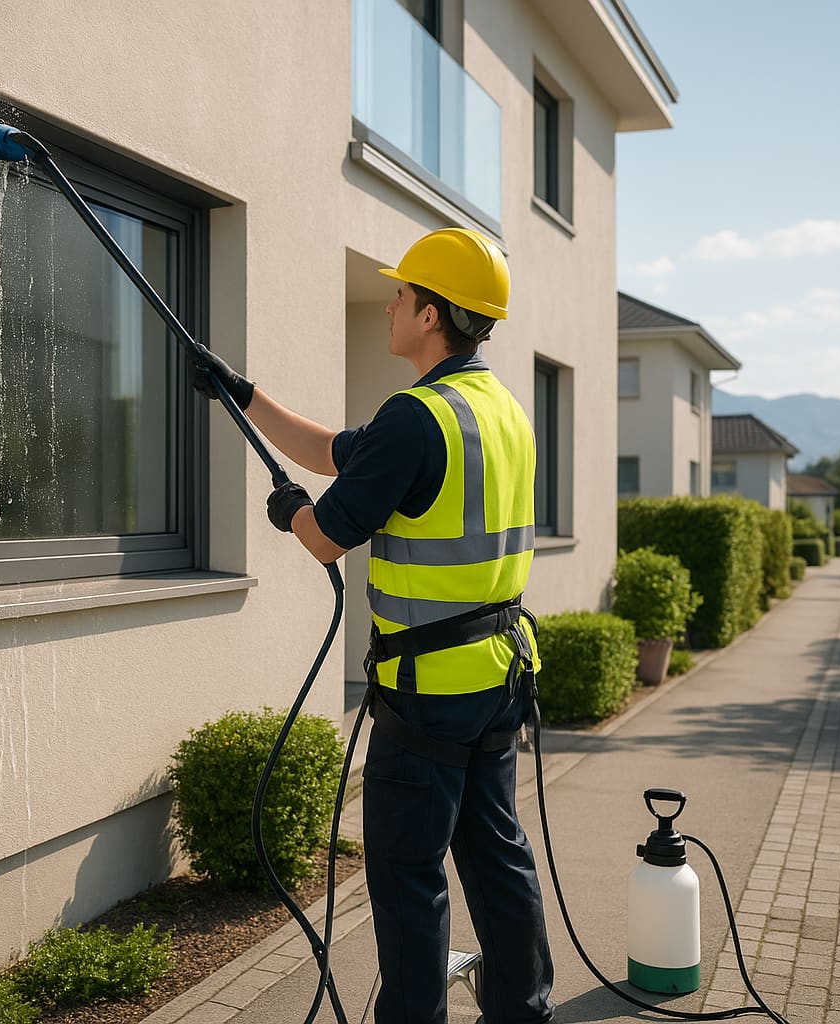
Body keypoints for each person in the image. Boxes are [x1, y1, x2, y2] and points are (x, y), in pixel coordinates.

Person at [192, 227, 555, 1024]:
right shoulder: (500, 411)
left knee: (405, 872)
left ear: (432, 315)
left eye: (402, 294)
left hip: (425, 694)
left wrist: (290, 514)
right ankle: (524, 1011)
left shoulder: (417, 416)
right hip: (496, 679)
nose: (390, 303)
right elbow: (332, 451)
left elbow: (326, 532)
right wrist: (241, 396)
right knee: (499, 859)